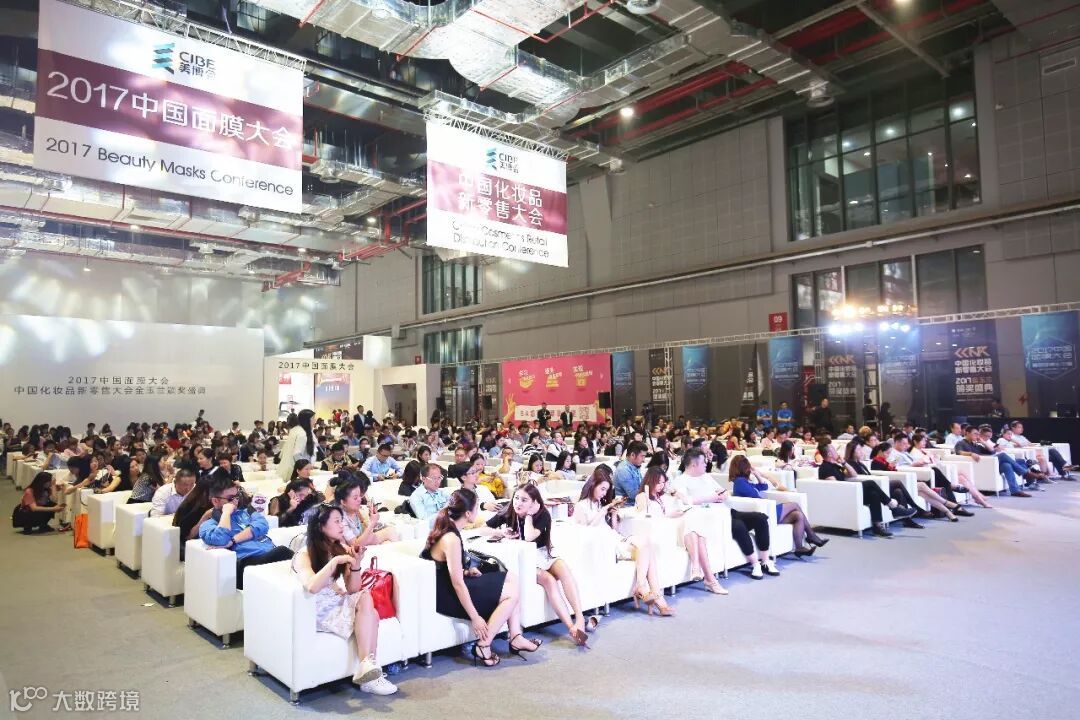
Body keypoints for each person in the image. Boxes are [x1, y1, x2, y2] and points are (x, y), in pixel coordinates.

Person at [421, 489, 539, 666]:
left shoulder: (449, 529)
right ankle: (484, 644)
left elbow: (446, 569)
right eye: (477, 508)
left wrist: (467, 572)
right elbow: (457, 584)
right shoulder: (451, 538)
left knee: (512, 579)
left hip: (449, 585)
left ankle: (515, 636)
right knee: (511, 594)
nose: (478, 512)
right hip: (448, 595)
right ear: (468, 513)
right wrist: (475, 617)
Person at [293, 503, 397, 694]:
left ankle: (367, 667)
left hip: (335, 600)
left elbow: (353, 588)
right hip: (316, 608)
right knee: (371, 613)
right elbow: (312, 586)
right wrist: (334, 563)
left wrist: (356, 564)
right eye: (336, 521)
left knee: (366, 599)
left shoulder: (339, 547)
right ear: (321, 526)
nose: (342, 525)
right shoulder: (305, 554)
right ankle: (369, 675)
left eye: (341, 520)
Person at [487, 484, 591, 644]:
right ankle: (571, 627)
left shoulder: (543, 514)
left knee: (564, 570)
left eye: (524, 500)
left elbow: (530, 536)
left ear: (534, 502)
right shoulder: (509, 511)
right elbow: (483, 529)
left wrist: (529, 516)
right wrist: (500, 532)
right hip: (526, 560)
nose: (518, 503)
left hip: (543, 553)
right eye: (516, 498)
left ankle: (580, 618)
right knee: (549, 581)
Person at [575, 466, 661, 616]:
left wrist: (613, 515)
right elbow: (585, 532)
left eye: (606, 490)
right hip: (605, 545)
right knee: (646, 549)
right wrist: (603, 511)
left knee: (647, 544)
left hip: (614, 539)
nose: (604, 493)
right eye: (602, 489)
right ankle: (655, 596)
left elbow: (612, 530)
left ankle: (642, 587)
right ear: (593, 485)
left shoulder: (598, 504)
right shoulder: (581, 506)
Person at [199, 475, 294, 589]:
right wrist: (226, 513)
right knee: (284, 552)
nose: (235, 501)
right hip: (247, 562)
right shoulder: (208, 525)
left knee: (297, 559)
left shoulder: (246, 512)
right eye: (230, 499)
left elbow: (262, 525)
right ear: (215, 501)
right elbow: (220, 539)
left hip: (269, 553)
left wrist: (233, 540)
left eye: (236, 496)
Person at [728, 454, 825, 556]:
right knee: (794, 505)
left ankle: (799, 548)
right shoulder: (740, 482)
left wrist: (757, 474)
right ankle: (811, 535)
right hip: (762, 512)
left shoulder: (743, 482)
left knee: (798, 515)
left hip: (765, 509)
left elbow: (764, 486)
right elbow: (754, 495)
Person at [665, 451, 733, 593]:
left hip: (712, 515)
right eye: (703, 462)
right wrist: (711, 498)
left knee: (696, 525)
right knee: (696, 528)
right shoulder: (680, 480)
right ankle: (710, 579)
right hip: (696, 516)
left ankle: (698, 569)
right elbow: (687, 501)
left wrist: (723, 495)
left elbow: (722, 491)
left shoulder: (706, 477)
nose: (706, 464)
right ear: (694, 465)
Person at [817, 442, 914, 537]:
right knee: (870, 483)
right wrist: (851, 487)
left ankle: (877, 526)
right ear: (829, 454)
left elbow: (853, 474)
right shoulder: (825, 468)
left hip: (851, 493)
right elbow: (835, 488)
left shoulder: (836, 466)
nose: (837, 452)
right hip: (844, 496)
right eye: (834, 450)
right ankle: (893, 507)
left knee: (873, 493)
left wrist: (843, 462)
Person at [953, 425, 1030, 497]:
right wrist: (971, 454)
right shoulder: (961, 443)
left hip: (987, 466)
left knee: (1007, 465)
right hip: (979, 467)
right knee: (1003, 455)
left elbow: (992, 451)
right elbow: (959, 452)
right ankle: (1025, 473)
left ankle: (1015, 490)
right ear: (967, 433)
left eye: (978, 434)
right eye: (975, 434)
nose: (977, 436)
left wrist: (983, 442)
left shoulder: (976, 445)